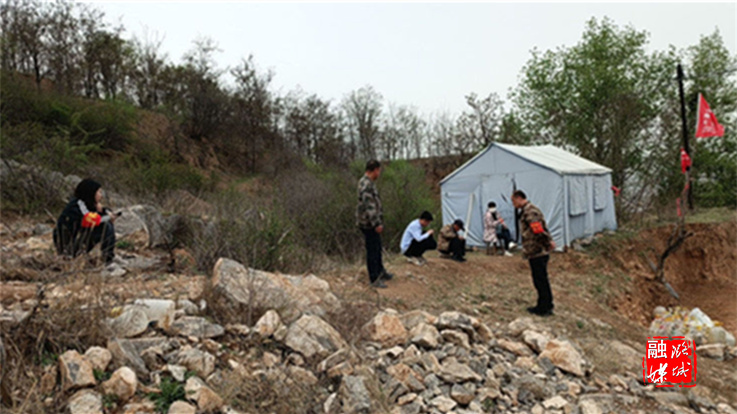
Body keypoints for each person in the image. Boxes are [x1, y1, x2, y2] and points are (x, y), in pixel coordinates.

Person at [511, 190, 555, 316]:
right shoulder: (526, 211)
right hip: (534, 251)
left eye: (513, 201)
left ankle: (545, 307)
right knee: (539, 279)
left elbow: (537, 229)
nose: (513, 204)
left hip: (538, 251)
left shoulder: (530, 211)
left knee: (541, 280)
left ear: (519, 198)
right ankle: (543, 304)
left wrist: (548, 242)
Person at [53, 178, 117, 264]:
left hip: (76, 240)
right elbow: (88, 219)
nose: (101, 196)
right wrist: (106, 216)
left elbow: (94, 214)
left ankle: (108, 257)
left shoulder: (87, 204)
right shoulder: (77, 205)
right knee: (105, 226)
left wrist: (103, 211)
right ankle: (108, 258)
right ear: (91, 193)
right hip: (68, 245)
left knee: (107, 223)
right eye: (99, 192)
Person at [356, 160, 393, 288]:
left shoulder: (368, 182)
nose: (379, 173)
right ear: (375, 170)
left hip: (371, 222)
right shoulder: (366, 184)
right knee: (372, 250)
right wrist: (376, 223)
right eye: (379, 170)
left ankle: (380, 271)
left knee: (377, 247)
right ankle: (374, 278)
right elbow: (369, 206)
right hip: (368, 223)